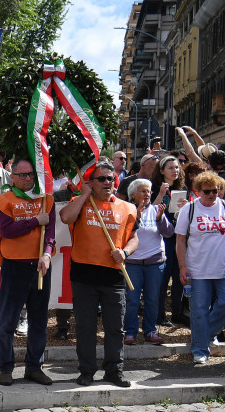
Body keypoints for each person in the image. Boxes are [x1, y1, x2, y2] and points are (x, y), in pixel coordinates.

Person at [59, 159, 137, 387]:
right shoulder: (80, 202)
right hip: (84, 276)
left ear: (116, 181)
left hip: (114, 276)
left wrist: (126, 252)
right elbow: (65, 217)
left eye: (110, 179)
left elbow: (134, 237)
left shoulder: (127, 208)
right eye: (100, 179)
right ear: (91, 182)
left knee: (115, 327)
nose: (106, 182)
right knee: (85, 327)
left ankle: (114, 371)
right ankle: (86, 371)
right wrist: (84, 195)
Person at [0, 158, 55, 386]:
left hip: (39, 265)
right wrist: (35, 220)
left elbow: (51, 234)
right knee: (8, 320)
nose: (28, 179)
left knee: (39, 321)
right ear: (12, 176)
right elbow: (7, 231)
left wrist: (46, 254)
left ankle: (34, 367)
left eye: (30, 175)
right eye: (23, 175)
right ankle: (5, 368)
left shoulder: (46, 200)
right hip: (14, 265)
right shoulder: (2, 201)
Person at [175, 171, 225, 364]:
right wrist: (182, 266)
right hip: (197, 269)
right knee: (199, 309)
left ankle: (206, 333)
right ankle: (200, 349)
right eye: (207, 192)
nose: (211, 195)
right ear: (198, 191)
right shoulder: (189, 210)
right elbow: (180, 240)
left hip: (224, 267)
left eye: (215, 191)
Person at [124, 178, 172, 345]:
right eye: (142, 191)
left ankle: (150, 331)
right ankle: (130, 332)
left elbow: (169, 233)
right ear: (132, 194)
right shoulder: (127, 211)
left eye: (148, 191)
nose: (147, 194)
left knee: (152, 299)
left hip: (155, 262)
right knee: (132, 300)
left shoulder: (156, 210)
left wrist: (160, 218)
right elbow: (122, 235)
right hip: (133, 263)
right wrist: (136, 216)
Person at [151, 155, 190, 327]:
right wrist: (160, 193)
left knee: (179, 274)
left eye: (177, 167)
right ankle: (159, 314)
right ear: (161, 171)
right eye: (170, 168)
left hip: (179, 235)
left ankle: (177, 312)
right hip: (161, 236)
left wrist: (187, 205)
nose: (175, 170)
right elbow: (150, 211)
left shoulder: (183, 187)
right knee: (163, 276)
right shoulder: (154, 187)